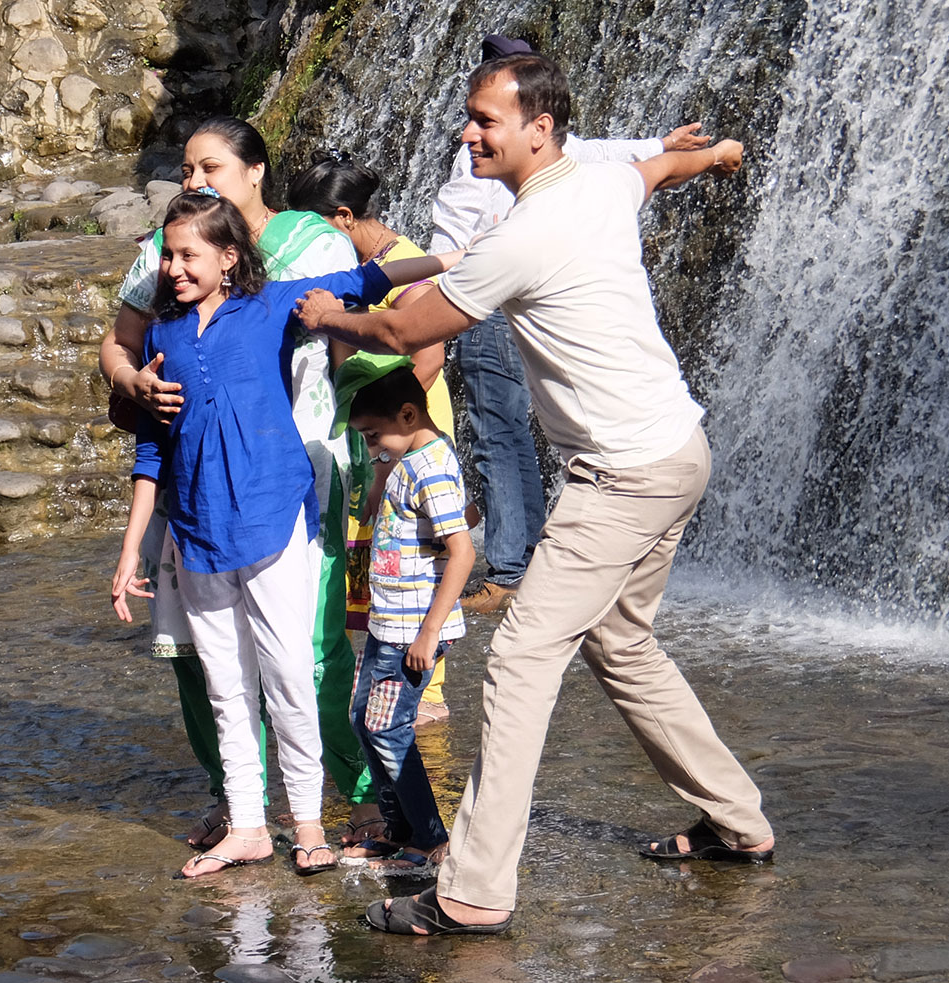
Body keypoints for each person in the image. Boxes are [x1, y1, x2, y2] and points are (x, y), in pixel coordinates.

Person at [293, 52, 774, 934]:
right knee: (621, 643)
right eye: (469, 116)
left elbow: (405, 327)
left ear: (539, 129)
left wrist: (328, 316)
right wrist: (710, 158)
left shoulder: (521, 238)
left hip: (621, 475)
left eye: (485, 120)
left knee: (520, 658)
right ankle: (738, 821)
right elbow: (656, 170)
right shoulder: (598, 183)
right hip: (679, 449)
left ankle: (473, 892)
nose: (467, 132)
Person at [109, 191, 457, 877]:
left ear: (228, 257)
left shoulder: (269, 308)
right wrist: (129, 553)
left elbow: (363, 280)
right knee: (226, 684)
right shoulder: (161, 338)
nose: (172, 269)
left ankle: (306, 823)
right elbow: (151, 453)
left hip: (272, 519)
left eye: (187, 255)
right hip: (199, 531)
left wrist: (455, 259)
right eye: (167, 256)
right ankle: (247, 826)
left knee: (290, 673)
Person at [99, 117, 385, 851]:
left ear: (256, 172)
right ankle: (239, 805)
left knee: (308, 653)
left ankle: (357, 799)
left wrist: (381, 435)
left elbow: (355, 315)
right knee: (204, 660)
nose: (194, 179)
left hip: (296, 471)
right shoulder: (166, 253)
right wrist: (134, 383)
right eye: (187, 169)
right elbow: (124, 344)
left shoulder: (308, 246)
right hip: (195, 477)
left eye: (211, 167)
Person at [433, 34, 712, 615]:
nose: (473, 130)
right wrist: (667, 146)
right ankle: (523, 558)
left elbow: (450, 243)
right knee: (511, 434)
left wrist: (374, 304)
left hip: (486, 300)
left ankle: (509, 569)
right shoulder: (565, 158)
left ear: (531, 118)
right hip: (536, 304)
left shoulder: (485, 158)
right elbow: (607, 155)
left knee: (496, 436)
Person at [288, 152, 457, 731]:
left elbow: (428, 355)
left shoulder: (403, 266)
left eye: (313, 228)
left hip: (406, 427)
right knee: (380, 549)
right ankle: (383, 663)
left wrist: (390, 441)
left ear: (343, 218)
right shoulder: (358, 264)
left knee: (419, 545)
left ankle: (428, 685)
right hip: (375, 429)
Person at [340, 365, 473, 874]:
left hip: (414, 630)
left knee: (389, 728)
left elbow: (462, 551)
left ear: (409, 415)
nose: (372, 447)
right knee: (363, 719)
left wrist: (430, 633)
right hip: (388, 623)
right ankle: (398, 830)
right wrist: (381, 473)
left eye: (374, 436)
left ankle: (429, 838)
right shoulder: (407, 458)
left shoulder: (431, 469)